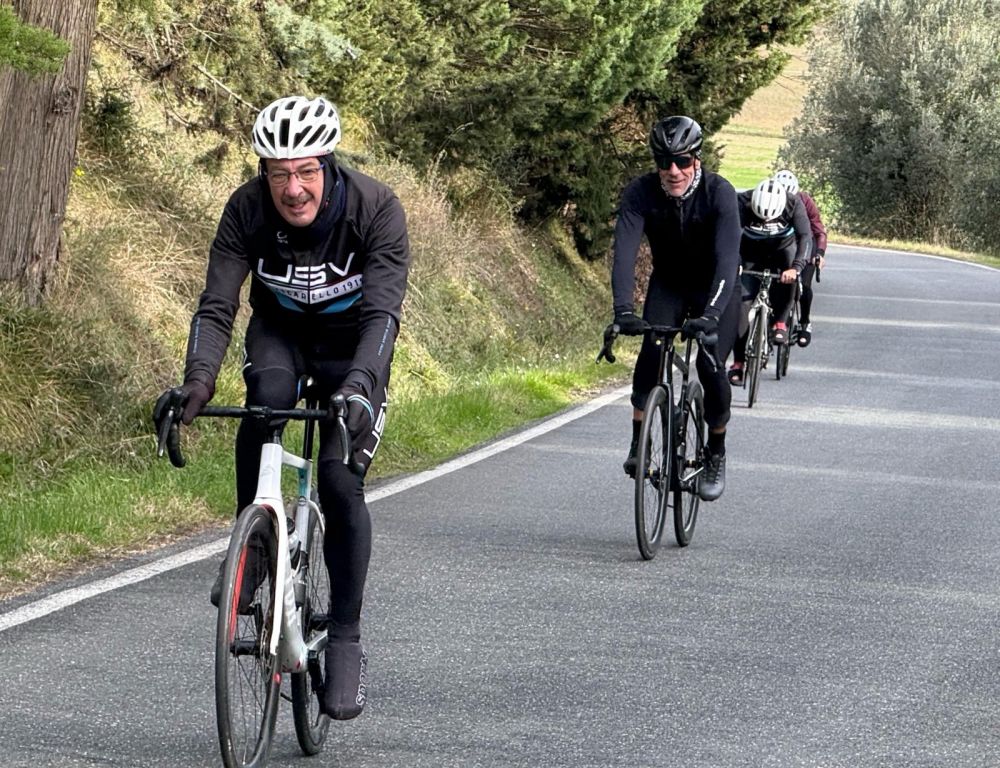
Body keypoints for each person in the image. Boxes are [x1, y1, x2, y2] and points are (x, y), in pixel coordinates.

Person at [152, 95, 410, 721]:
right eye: (278, 173)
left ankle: (345, 636)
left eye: (306, 171)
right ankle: (256, 547)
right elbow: (217, 305)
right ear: (263, 173)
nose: (293, 189)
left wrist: (360, 386)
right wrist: (196, 383)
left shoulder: (375, 208)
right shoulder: (245, 210)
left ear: (328, 165)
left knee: (339, 482)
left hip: (353, 349)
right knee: (264, 405)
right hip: (281, 337)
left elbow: (383, 314)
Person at [610, 115, 741, 502]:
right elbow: (624, 255)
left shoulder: (719, 193)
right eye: (664, 161)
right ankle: (639, 442)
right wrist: (623, 311)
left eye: (682, 161)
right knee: (651, 350)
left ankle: (715, 451)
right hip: (669, 283)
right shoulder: (641, 193)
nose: (673, 170)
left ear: (696, 159)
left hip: (715, 287)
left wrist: (711, 315)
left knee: (710, 366)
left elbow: (728, 260)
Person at [727, 177, 812, 385]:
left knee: (789, 279)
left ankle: (780, 322)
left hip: (783, 251)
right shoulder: (742, 202)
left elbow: (805, 237)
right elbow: (729, 237)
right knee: (741, 305)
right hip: (750, 251)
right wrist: (734, 263)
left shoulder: (793, 203)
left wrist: (796, 268)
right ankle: (738, 362)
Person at [774, 169, 827, 346]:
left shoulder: (805, 201)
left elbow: (819, 231)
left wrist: (819, 254)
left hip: (806, 243)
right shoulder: (770, 199)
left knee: (803, 286)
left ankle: (805, 322)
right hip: (783, 244)